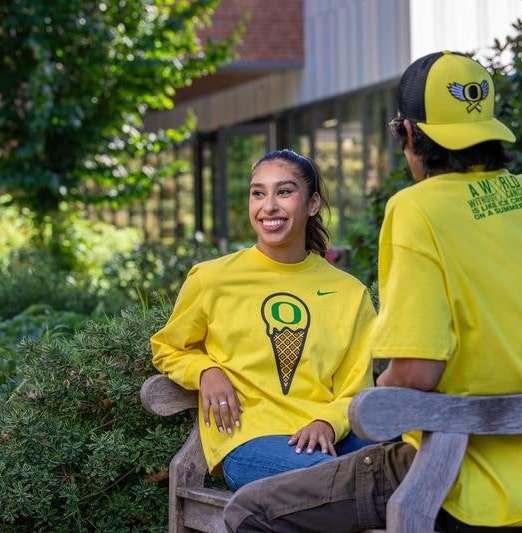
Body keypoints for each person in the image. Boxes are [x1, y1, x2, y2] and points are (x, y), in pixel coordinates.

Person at [223, 51, 522, 531]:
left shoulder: (417, 209)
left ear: (409, 133)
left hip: (451, 483)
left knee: (250, 511)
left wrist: (379, 392)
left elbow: (417, 372)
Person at [151, 149, 376, 490]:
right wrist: (205, 371)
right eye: (258, 193)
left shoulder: (349, 293)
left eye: (284, 192)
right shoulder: (213, 279)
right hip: (251, 442)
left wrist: (326, 423)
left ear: (312, 204)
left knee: (405, 450)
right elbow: (167, 347)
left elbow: (357, 388)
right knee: (339, 478)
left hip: (332, 437)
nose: (268, 205)